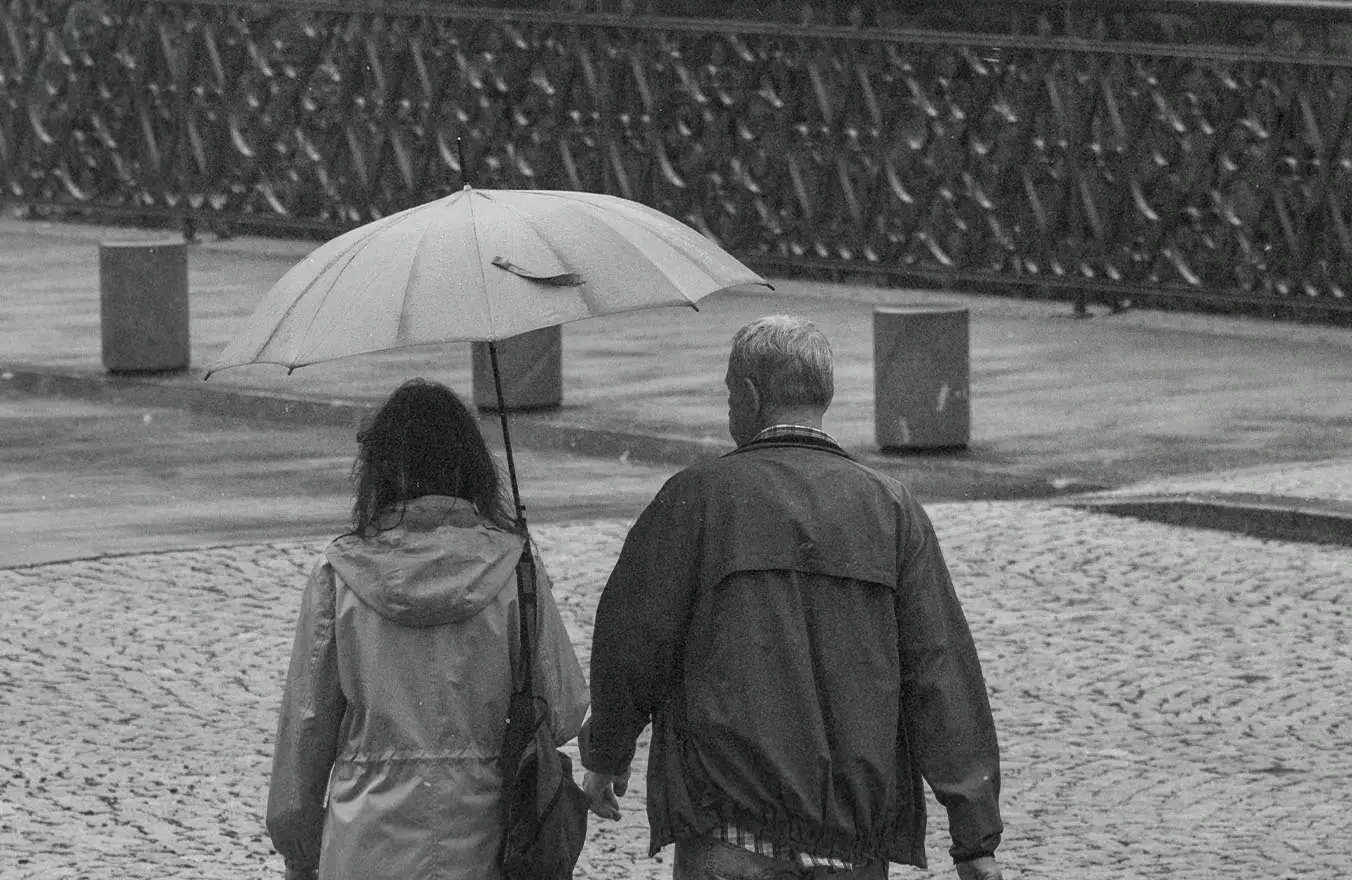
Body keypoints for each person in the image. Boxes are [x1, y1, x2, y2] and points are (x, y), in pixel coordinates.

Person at [579, 315, 1005, 880]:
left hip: (731, 833)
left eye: (730, 393)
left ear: (750, 395)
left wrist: (607, 754)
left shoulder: (698, 499)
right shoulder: (893, 510)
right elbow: (940, 674)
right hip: (853, 842)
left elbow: (632, 644)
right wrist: (975, 840)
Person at [265, 378, 589, 880]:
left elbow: (305, 737)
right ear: (471, 466)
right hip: (483, 844)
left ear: (379, 472)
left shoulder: (339, 578)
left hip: (365, 848)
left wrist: (300, 848)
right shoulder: (514, 569)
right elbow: (564, 708)